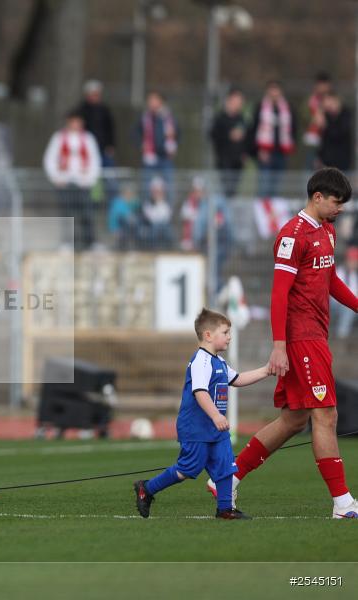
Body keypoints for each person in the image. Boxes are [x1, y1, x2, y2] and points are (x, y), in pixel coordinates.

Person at [206, 168, 358, 519]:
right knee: (326, 415)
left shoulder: (328, 231)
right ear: (317, 197)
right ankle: (342, 503)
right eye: (336, 203)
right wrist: (279, 345)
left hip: (316, 335)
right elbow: (279, 294)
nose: (340, 210)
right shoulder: (292, 235)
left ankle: (228, 478)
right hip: (301, 339)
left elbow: (330, 279)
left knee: (293, 419)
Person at [134, 308, 270, 519]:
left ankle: (225, 509)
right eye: (225, 332)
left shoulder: (220, 362)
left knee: (226, 465)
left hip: (216, 428)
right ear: (208, 335)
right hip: (196, 427)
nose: (229, 337)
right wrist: (216, 415)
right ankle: (147, 488)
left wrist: (266, 370)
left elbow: (237, 379)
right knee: (188, 469)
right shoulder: (201, 361)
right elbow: (200, 392)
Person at [42, 111, 102, 249]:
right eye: (73, 121)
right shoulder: (58, 138)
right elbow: (50, 159)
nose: (76, 124)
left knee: (87, 212)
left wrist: (90, 179)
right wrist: (55, 177)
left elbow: (95, 160)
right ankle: (67, 242)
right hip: (65, 181)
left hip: (83, 182)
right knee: (67, 213)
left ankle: (90, 242)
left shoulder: (88, 138)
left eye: (78, 122)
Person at [250, 81, 296, 199]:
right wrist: (258, 150)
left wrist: (290, 148)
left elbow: (293, 129)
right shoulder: (260, 107)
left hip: (281, 152)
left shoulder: (288, 107)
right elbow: (253, 129)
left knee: (276, 187)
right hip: (265, 153)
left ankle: (272, 216)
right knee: (264, 187)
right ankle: (261, 214)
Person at [136, 91, 178, 198]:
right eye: (150, 101)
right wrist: (141, 144)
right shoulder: (145, 118)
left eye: (154, 100)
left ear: (161, 102)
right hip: (149, 158)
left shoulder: (169, 118)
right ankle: (145, 212)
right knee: (146, 188)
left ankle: (169, 212)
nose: (152, 103)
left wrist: (173, 146)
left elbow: (177, 134)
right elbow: (135, 133)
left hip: (165, 157)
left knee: (169, 188)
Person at [209, 88, 248, 198]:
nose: (238, 105)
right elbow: (213, 135)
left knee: (233, 191)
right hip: (224, 160)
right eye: (236, 101)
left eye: (240, 102)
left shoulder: (242, 119)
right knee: (224, 189)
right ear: (229, 101)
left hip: (238, 161)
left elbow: (247, 138)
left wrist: (245, 153)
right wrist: (228, 135)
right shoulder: (220, 118)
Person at [317, 92, 353, 171]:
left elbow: (339, 133)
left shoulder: (346, 114)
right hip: (327, 161)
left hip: (342, 160)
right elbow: (322, 140)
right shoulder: (326, 115)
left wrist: (326, 125)